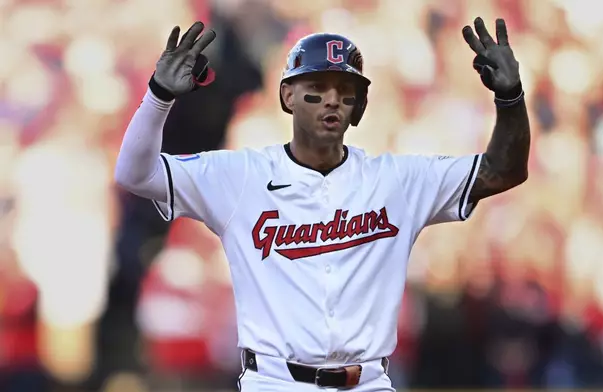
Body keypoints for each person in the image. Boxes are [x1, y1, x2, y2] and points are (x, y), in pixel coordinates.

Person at [114, 17, 530, 392]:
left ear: (359, 105)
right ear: (287, 96)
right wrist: (158, 96)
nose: (332, 100)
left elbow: (502, 171)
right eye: (316, 88)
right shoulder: (240, 175)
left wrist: (510, 98)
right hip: (274, 382)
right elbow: (134, 174)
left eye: (345, 90)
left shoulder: (397, 180)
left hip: (369, 382)